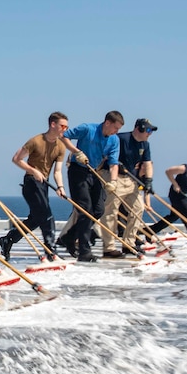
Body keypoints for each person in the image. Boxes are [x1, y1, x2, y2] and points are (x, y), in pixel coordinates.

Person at [0, 112, 69, 259]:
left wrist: (61, 187)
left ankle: (8, 239)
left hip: (44, 184)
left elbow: (57, 171)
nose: (65, 129)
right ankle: (50, 251)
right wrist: (33, 170)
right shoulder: (36, 141)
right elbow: (16, 159)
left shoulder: (61, 146)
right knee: (47, 215)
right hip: (31, 182)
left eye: (66, 127)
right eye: (62, 126)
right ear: (53, 124)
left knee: (37, 218)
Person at [61, 111, 123, 262]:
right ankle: (84, 251)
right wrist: (77, 152)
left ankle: (69, 237)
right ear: (107, 123)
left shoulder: (114, 140)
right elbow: (64, 136)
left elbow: (114, 163)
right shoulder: (87, 129)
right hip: (78, 171)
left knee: (98, 210)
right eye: (115, 128)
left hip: (94, 172)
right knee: (85, 209)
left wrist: (113, 182)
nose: (116, 132)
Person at [100, 117, 157, 258]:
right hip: (114, 177)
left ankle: (129, 244)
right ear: (139, 128)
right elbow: (104, 153)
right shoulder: (120, 138)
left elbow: (148, 163)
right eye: (148, 130)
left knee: (138, 208)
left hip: (131, 180)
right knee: (110, 212)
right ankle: (109, 247)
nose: (149, 133)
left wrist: (148, 181)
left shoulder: (145, 145)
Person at [145, 155, 187, 241]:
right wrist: (175, 185)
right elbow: (168, 171)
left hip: (183, 195)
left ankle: (149, 231)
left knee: (173, 217)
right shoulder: (184, 168)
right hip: (175, 194)